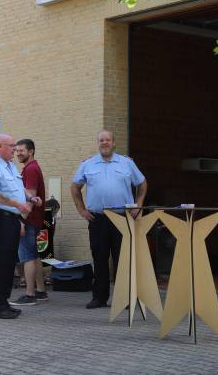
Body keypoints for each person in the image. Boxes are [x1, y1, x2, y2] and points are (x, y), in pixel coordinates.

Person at [70, 130, 147, 309]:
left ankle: (127, 298)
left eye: (108, 140)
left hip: (123, 218)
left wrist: (138, 204)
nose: (104, 143)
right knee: (100, 259)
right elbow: (75, 188)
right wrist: (81, 210)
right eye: (101, 140)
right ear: (98, 143)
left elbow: (142, 183)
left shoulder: (127, 163)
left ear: (114, 143)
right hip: (98, 219)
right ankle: (99, 298)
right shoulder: (87, 164)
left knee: (124, 259)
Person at [0, 133, 40, 319]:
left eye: (15, 145)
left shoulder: (10, 166)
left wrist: (29, 197)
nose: (14, 149)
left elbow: (16, 187)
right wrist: (18, 205)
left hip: (11, 219)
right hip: (0, 219)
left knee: (9, 264)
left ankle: (4, 302)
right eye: (11, 145)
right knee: (0, 264)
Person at [10, 139, 48, 306]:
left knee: (27, 257)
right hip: (34, 220)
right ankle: (41, 291)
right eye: (16, 150)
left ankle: (30, 295)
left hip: (29, 220)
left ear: (31, 151)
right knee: (34, 256)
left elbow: (30, 199)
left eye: (21, 150)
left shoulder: (31, 170)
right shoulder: (31, 168)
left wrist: (21, 221)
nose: (18, 153)